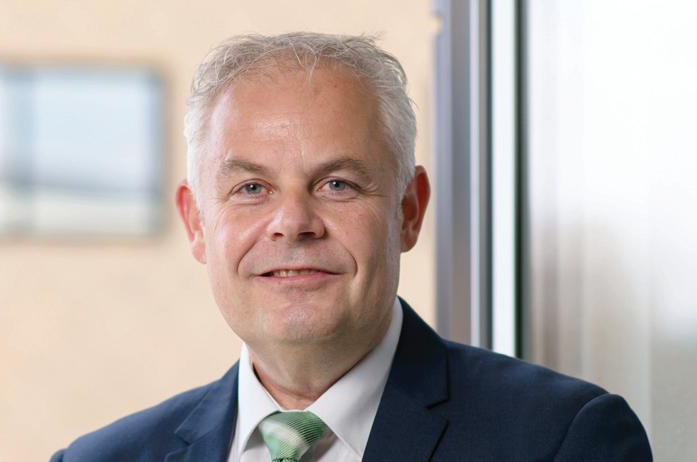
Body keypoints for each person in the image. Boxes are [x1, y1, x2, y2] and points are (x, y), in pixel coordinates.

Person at [51, 32, 652, 462]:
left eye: (336, 184)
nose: (292, 223)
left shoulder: (564, 440)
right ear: (197, 224)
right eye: (251, 188)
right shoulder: (97, 459)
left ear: (408, 211)